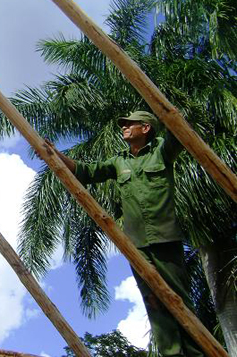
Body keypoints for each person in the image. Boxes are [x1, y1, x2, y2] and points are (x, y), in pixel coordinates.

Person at [48, 111, 204, 356]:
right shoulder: (119, 161)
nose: (124, 128)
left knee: (179, 299)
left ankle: (197, 352)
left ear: (145, 128)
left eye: (130, 124)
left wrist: (172, 113)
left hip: (165, 237)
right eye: (124, 125)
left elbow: (178, 134)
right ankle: (171, 354)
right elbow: (86, 172)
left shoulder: (162, 151)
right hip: (136, 244)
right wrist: (55, 155)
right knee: (153, 300)